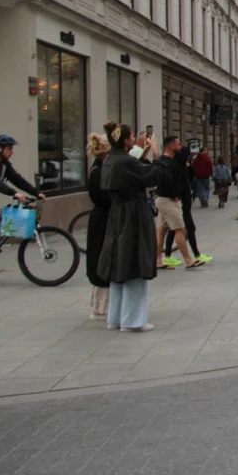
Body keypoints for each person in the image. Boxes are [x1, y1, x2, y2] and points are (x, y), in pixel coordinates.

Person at [97, 122, 159, 332]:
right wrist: (157, 154)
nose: (133, 140)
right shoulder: (125, 162)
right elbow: (150, 175)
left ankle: (115, 317)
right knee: (135, 262)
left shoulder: (110, 160)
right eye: (131, 137)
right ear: (125, 141)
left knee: (119, 265)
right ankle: (133, 320)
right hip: (134, 214)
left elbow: (135, 169)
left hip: (118, 214)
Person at [0, 135, 43, 261]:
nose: (12, 152)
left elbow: (17, 179)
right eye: (9, 148)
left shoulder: (4, 165)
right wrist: (14, 193)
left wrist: (36, 193)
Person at [154, 136, 204, 270]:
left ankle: (158, 260)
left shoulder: (164, 161)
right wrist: (175, 195)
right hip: (169, 200)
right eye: (178, 144)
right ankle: (189, 260)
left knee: (161, 231)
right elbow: (168, 181)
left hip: (162, 199)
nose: (180, 147)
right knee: (180, 229)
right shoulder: (168, 163)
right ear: (171, 146)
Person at [162, 144, 211, 267]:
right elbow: (183, 184)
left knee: (174, 230)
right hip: (183, 204)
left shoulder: (181, 166)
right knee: (189, 229)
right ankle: (196, 255)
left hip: (183, 204)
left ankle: (168, 256)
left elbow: (191, 175)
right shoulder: (178, 167)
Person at [84, 133, 111, 318]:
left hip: (103, 218)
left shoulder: (100, 169)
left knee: (103, 260)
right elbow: (104, 198)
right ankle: (100, 306)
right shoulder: (98, 172)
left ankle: (102, 304)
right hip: (102, 220)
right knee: (101, 260)